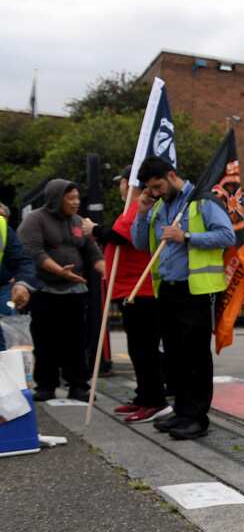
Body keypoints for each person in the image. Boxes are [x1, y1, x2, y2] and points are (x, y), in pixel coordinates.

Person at [132, 157, 234, 440]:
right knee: (174, 355)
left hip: (195, 290)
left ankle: (197, 417)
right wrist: (141, 212)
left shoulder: (203, 201)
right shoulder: (160, 207)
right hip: (167, 288)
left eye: (158, 186)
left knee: (195, 356)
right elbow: (141, 244)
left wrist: (187, 236)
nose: (155, 192)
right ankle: (181, 410)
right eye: (150, 189)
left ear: (171, 175)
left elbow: (226, 235)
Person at [17, 180, 104, 401]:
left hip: (75, 291)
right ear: (56, 198)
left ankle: (78, 385)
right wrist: (59, 271)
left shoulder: (78, 222)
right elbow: (34, 252)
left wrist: (106, 270)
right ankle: (46, 385)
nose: (76, 203)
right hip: (45, 290)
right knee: (46, 339)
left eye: (77, 198)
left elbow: (93, 252)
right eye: (70, 198)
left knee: (76, 340)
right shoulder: (35, 220)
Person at [97, 170, 169, 423]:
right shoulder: (135, 207)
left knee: (145, 349)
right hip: (131, 290)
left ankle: (155, 400)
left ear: (127, 183)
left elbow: (120, 235)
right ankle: (144, 396)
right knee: (138, 348)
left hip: (141, 290)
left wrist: (94, 229)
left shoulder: (139, 207)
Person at [0, 203, 36, 350]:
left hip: (2, 286)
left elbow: (22, 260)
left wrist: (22, 284)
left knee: (6, 325)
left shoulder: (2, 227)